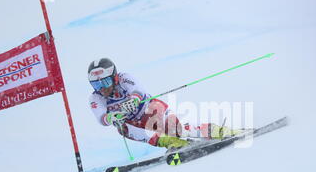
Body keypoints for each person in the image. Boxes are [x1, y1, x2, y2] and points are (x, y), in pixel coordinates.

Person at [88, 58, 239, 150]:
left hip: (150, 110)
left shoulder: (124, 78)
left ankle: (218, 131)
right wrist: (112, 117)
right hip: (132, 124)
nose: (102, 88)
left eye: (105, 82)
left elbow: (138, 91)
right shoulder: (95, 98)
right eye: (96, 85)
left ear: (114, 78)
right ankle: (176, 144)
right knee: (123, 128)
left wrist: (133, 100)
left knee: (178, 129)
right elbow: (101, 118)